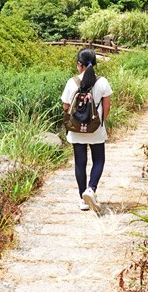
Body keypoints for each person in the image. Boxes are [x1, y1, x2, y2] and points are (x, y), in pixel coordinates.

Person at [61, 47, 112, 214]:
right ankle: (91, 189)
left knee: (79, 162)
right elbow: (106, 108)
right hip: (95, 128)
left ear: (79, 64)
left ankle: (82, 200)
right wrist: (97, 124)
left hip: (76, 129)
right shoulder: (102, 82)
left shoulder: (72, 82)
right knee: (99, 160)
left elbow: (66, 107)